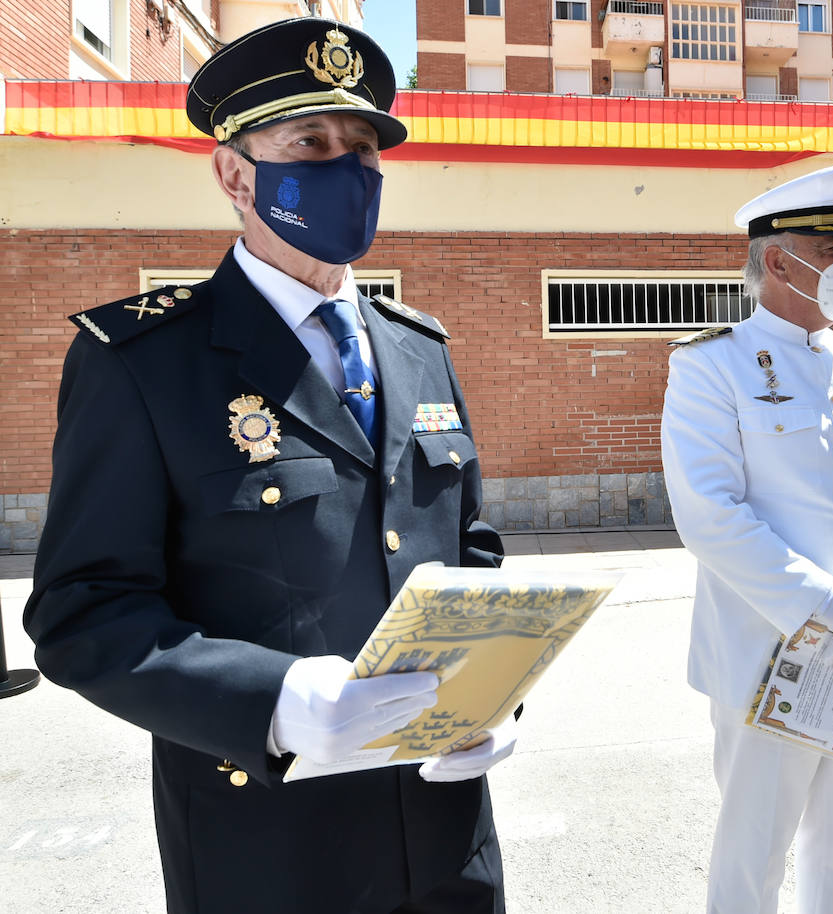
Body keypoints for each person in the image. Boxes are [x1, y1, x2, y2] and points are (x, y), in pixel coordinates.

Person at [24, 18, 515, 914]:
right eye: (311, 143)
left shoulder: (418, 349)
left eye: (363, 147)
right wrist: (275, 700)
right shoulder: (144, 361)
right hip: (270, 848)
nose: (347, 167)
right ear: (234, 173)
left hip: (449, 837)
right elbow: (81, 614)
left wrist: (493, 693)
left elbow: (467, 547)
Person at [660, 163, 833, 914]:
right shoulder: (710, 365)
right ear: (780, 260)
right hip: (766, 658)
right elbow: (711, 517)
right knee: (754, 853)